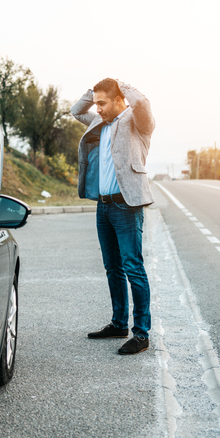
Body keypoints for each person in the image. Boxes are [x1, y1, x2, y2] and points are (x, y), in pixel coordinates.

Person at [71, 78, 155, 355]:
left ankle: (141, 334)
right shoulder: (99, 122)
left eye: (103, 103)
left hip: (127, 205)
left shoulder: (136, 120)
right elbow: (75, 110)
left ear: (120, 100)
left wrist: (122, 84)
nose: (98, 109)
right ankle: (119, 323)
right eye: (96, 104)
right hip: (104, 205)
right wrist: (93, 92)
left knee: (132, 266)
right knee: (112, 267)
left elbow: (141, 102)